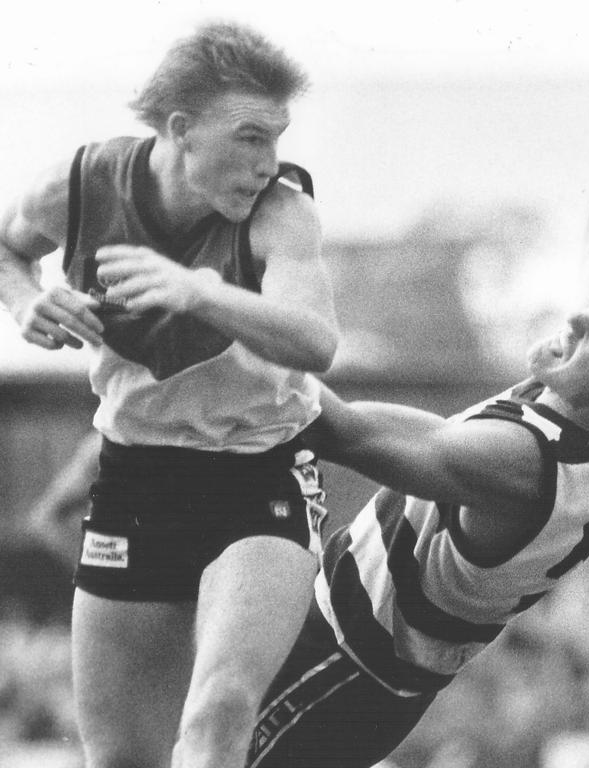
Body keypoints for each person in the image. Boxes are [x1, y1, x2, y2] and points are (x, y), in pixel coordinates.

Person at [246, 69, 589, 768]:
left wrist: (215, 306)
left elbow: (336, 428)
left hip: (341, 671)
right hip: (335, 639)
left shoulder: (526, 463)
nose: (585, 316)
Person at [0, 21, 339, 768]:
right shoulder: (81, 186)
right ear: (180, 129)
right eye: (249, 137)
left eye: (275, 138)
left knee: (218, 709)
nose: (267, 163)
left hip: (258, 474)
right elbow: (6, 246)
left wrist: (201, 292)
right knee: (121, 757)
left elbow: (316, 341)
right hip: (136, 478)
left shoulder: (281, 213)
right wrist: (24, 301)